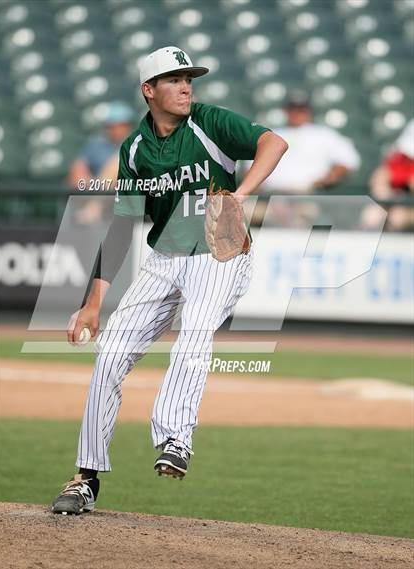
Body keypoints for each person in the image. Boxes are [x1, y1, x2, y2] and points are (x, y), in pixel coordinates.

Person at [51, 46, 288, 515]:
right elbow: (122, 226)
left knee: (195, 329)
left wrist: (240, 194)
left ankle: (176, 439)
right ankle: (86, 478)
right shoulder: (135, 148)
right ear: (149, 90)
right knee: (112, 352)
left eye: (189, 79)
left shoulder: (209, 121)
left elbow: (274, 143)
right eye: (174, 79)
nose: (186, 87)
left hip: (219, 254)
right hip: (165, 257)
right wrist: (93, 303)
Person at [243, 91, 361, 226]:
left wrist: (326, 179)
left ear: (308, 111)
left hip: (307, 197)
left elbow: (348, 161)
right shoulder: (272, 133)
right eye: (292, 109)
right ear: (286, 111)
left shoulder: (323, 134)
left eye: (301, 109)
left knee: (304, 217)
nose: (296, 113)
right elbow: (250, 167)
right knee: (241, 214)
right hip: (269, 198)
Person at [67, 101, 136, 224]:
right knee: (78, 170)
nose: (114, 129)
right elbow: (78, 168)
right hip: (93, 190)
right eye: (111, 125)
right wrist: (90, 185)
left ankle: (92, 209)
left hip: (125, 194)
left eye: (119, 125)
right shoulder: (97, 144)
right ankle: (92, 209)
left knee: (119, 161)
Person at [361, 119, 414, 231]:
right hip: (397, 201)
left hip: (406, 207)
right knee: (372, 216)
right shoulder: (401, 158)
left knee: (398, 218)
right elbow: (381, 178)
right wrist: (385, 192)